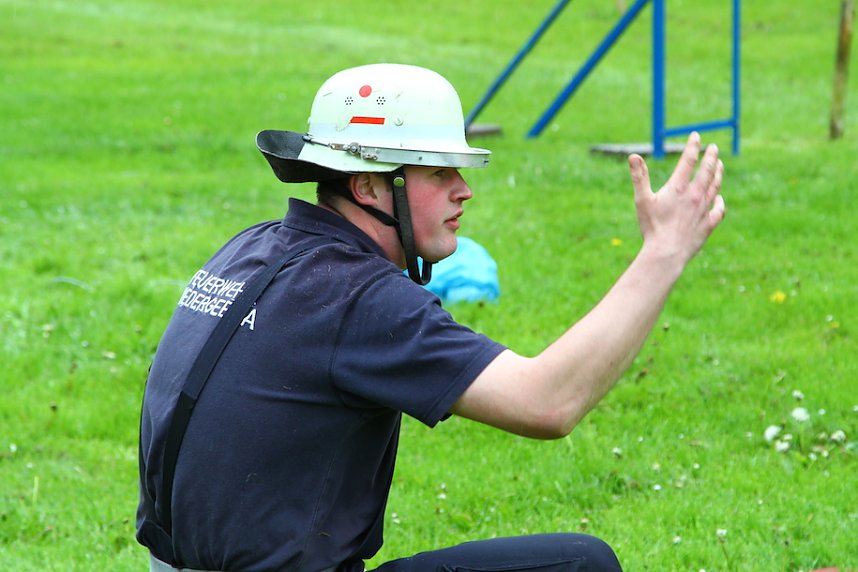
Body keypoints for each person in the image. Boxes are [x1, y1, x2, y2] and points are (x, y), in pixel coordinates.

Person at [137, 63, 725, 572]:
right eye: (438, 172)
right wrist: (664, 253)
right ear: (369, 185)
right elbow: (548, 402)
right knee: (581, 564)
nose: (464, 190)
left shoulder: (253, 248)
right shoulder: (354, 294)